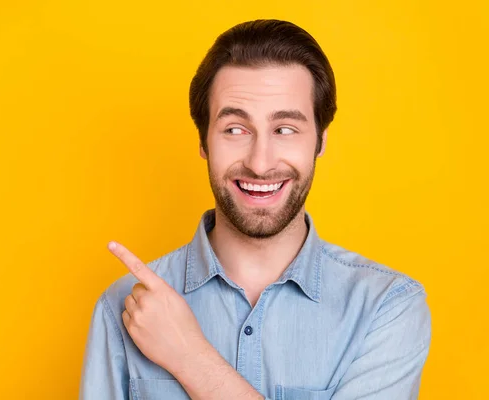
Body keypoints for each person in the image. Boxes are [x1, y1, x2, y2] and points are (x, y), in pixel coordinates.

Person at [79, 19, 431, 400]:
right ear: (203, 142)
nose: (260, 164)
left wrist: (190, 359)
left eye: (284, 130)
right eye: (235, 129)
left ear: (320, 141)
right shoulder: (123, 308)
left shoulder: (388, 307)